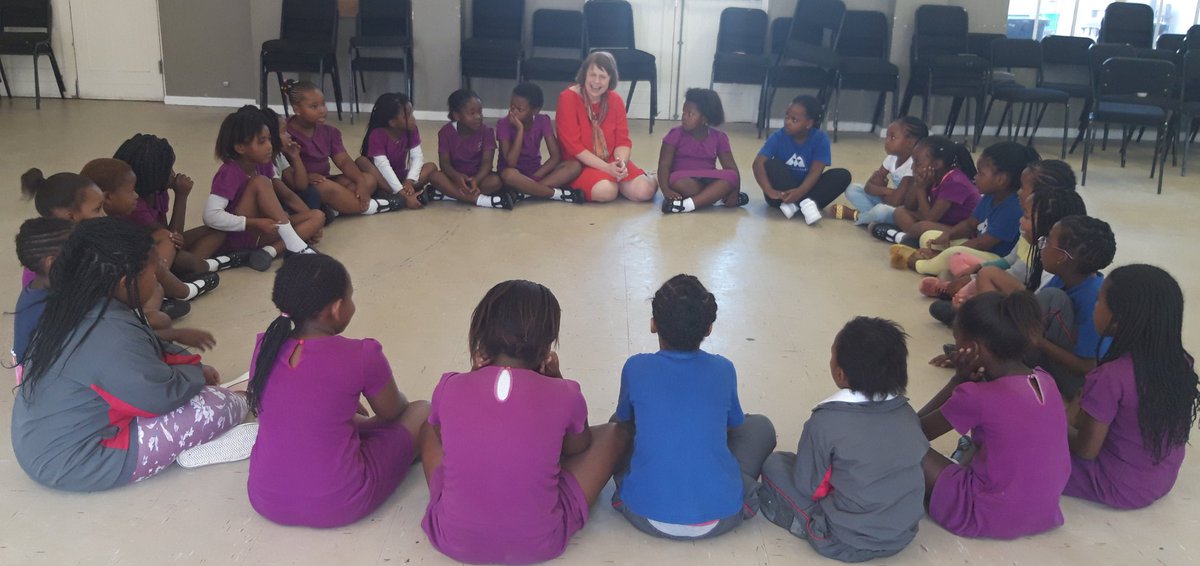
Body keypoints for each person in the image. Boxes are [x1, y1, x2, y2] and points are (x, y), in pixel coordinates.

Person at [10, 218, 256, 492]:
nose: (158, 277)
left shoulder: (75, 304)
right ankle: (244, 399)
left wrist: (194, 370)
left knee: (191, 388)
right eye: (154, 271)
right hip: (81, 461)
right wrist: (195, 377)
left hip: (42, 445)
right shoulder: (109, 332)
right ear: (127, 282)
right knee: (218, 406)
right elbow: (158, 397)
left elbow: (146, 349)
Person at [420, 280, 628, 564]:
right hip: (539, 543)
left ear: (482, 335)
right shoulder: (565, 392)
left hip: (453, 537)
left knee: (428, 425)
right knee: (615, 433)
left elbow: (443, 437)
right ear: (546, 347)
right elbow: (577, 448)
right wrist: (555, 380)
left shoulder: (449, 386)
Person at [247, 254, 431, 527]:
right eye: (350, 297)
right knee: (422, 411)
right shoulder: (362, 354)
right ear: (335, 308)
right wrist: (363, 419)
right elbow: (393, 412)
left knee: (328, 423)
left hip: (265, 498)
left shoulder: (265, 346)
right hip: (338, 502)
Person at [611, 275, 775, 540]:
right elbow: (733, 427)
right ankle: (736, 479)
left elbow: (624, 420)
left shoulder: (635, 367)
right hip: (722, 514)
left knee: (617, 425)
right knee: (761, 427)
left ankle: (649, 476)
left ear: (653, 325)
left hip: (644, 512)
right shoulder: (724, 369)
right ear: (709, 329)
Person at [758, 317, 927, 562]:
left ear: (840, 374)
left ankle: (805, 524)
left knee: (775, 464)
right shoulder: (907, 414)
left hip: (843, 541)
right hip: (903, 535)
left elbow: (809, 488)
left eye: (832, 355)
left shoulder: (825, 421)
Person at [918, 292, 1070, 539]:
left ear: (974, 349)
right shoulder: (1046, 381)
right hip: (1043, 511)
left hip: (988, 512)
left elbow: (915, 433)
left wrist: (957, 380)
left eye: (957, 341)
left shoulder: (976, 396)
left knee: (899, 443)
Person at [1065, 264, 1200, 509]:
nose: (1095, 306)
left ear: (1118, 319)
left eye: (1099, 301)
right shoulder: (1181, 361)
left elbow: (1085, 450)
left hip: (1114, 485)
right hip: (1160, 479)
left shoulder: (1110, 376)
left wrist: (1055, 423)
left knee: (1021, 442)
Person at [928, 187, 1087, 327]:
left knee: (987, 275)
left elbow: (1032, 310)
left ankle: (978, 320)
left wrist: (974, 297)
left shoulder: (1052, 266)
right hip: (1024, 310)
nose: (1020, 220)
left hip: (1026, 325)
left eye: (1026, 217)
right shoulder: (1041, 250)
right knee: (983, 274)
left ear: (1048, 224)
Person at [200, 109, 325, 272]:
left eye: (269, 140)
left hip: (262, 231)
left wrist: (314, 227)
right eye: (261, 142)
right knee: (260, 182)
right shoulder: (229, 172)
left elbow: (288, 195)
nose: (269, 146)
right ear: (240, 147)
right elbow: (210, 215)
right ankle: (294, 245)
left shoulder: (264, 164)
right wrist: (253, 223)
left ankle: (269, 252)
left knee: (317, 216)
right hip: (238, 236)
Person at [81, 158, 219, 302]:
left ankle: (182, 281)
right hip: (123, 287)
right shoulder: (106, 223)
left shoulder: (115, 214)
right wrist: (181, 196)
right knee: (156, 265)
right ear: (108, 197)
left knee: (165, 238)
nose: (136, 195)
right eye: (131, 192)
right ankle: (181, 291)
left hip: (127, 274)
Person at [891, 142, 1037, 274]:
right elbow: (969, 224)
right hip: (974, 248)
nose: (975, 177)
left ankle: (921, 265)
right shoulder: (989, 197)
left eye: (980, 173)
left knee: (953, 253)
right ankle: (943, 265)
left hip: (994, 257)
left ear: (1001, 179)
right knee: (928, 237)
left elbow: (982, 243)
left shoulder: (1012, 208)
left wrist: (943, 252)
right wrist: (949, 235)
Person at [555, 51, 659, 203]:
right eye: (592, 75)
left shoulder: (615, 100)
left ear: (611, 79)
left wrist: (620, 164)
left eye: (602, 77)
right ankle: (612, 183)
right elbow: (574, 147)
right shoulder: (567, 98)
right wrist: (606, 168)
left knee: (645, 191)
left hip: (610, 160)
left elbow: (622, 141)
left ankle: (652, 177)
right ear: (584, 74)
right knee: (606, 191)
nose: (596, 81)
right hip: (580, 164)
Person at [1034, 215, 1117, 398]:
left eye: (1048, 240)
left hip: (1079, 383)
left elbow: (1088, 366)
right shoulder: (1062, 277)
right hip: (1056, 361)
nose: (1042, 245)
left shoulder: (1094, 298)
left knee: (1051, 298)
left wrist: (1036, 340)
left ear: (1062, 257)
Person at [284, 80, 382, 216]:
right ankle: (373, 206)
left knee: (368, 180)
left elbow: (343, 161)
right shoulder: (285, 132)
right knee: (327, 188)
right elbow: (283, 169)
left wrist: (360, 182)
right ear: (297, 109)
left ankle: (334, 207)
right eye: (314, 106)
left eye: (323, 104)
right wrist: (305, 177)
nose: (322, 110)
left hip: (324, 179)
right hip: (301, 186)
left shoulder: (330, 132)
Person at [752, 95, 851, 224]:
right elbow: (758, 164)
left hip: (807, 188)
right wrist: (770, 191)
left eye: (794, 120)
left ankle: (795, 205)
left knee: (842, 175)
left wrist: (799, 192)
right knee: (771, 164)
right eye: (786, 117)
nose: (787, 122)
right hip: (781, 196)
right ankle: (805, 205)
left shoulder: (820, 139)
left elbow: (815, 171)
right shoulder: (778, 136)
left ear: (808, 123)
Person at [870, 136, 979, 245]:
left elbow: (931, 218)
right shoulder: (934, 175)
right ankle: (912, 239)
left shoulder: (955, 182)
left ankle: (901, 238)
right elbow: (909, 206)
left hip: (960, 231)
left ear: (936, 164)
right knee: (900, 212)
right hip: (943, 222)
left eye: (917, 163)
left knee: (922, 226)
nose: (912, 167)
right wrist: (918, 185)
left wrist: (921, 189)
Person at [658, 89, 746, 214]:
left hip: (708, 178)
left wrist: (735, 192)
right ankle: (710, 196)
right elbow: (664, 165)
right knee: (678, 182)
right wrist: (665, 190)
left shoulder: (719, 137)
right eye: (683, 112)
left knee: (731, 176)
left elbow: (730, 166)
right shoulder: (675, 134)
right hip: (684, 178)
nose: (684, 117)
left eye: (690, 114)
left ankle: (686, 205)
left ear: (705, 118)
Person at [497, 82, 585, 203]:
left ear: (535, 110)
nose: (514, 112)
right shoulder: (503, 124)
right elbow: (510, 163)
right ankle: (557, 194)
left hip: (536, 173)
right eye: (512, 107)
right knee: (508, 175)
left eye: (520, 109)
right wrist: (520, 130)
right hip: (514, 175)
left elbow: (555, 157)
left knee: (574, 166)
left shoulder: (543, 120)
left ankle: (525, 193)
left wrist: (535, 176)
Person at [10, 217, 73, 384]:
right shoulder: (47, 307)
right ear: (51, 263)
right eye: (77, 250)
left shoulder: (39, 287)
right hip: (41, 381)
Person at [833, 117, 928, 225]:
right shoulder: (891, 158)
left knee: (881, 211)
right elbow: (868, 187)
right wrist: (887, 191)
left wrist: (880, 190)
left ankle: (856, 216)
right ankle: (872, 217)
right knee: (852, 189)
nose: (886, 141)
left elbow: (896, 202)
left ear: (910, 143)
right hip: (890, 200)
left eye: (892, 137)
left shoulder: (913, 165)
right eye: (887, 136)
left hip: (902, 212)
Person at [431, 88, 513, 209]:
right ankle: (480, 200)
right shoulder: (445, 132)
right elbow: (445, 164)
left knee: (496, 182)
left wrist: (476, 180)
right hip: (455, 178)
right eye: (472, 113)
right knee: (435, 176)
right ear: (457, 115)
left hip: (480, 179)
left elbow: (487, 164)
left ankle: (450, 195)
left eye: (480, 112)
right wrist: (457, 177)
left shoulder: (487, 131)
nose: (478, 117)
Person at [356, 92, 437, 211]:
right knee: (361, 161)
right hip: (381, 179)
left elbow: (417, 157)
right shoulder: (377, 135)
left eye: (412, 113)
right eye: (407, 116)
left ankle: (399, 195)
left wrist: (409, 180)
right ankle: (403, 195)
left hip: (401, 176)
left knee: (431, 167)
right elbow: (383, 166)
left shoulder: (411, 130)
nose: (413, 119)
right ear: (392, 122)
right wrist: (401, 191)